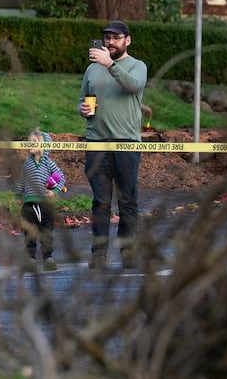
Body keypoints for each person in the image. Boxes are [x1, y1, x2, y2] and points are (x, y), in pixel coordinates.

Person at [78, 21, 148, 269]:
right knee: (100, 202)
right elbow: (81, 101)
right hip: (96, 142)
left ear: (127, 40)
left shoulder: (137, 66)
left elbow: (133, 86)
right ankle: (98, 255)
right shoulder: (91, 70)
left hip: (127, 142)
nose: (110, 42)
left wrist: (110, 64)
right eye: (107, 38)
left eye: (116, 38)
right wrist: (82, 109)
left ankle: (128, 253)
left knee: (127, 200)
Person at [14, 128, 67, 271]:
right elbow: (22, 181)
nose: (30, 143)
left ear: (44, 146)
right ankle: (30, 258)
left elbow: (60, 177)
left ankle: (48, 258)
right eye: (29, 141)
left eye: (34, 141)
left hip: (45, 204)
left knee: (46, 231)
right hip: (29, 204)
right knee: (29, 233)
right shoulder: (27, 164)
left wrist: (54, 191)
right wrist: (18, 195)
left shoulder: (48, 163)